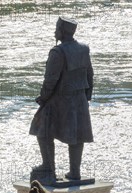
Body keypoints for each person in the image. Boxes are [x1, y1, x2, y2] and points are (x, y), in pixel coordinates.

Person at [30, 17, 94, 182]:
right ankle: (75, 172)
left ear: (62, 31)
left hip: (61, 100)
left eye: (56, 28)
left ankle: (48, 168)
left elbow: (50, 80)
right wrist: (87, 97)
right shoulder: (84, 49)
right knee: (77, 135)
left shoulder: (57, 52)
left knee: (41, 129)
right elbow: (90, 75)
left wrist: (43, 98)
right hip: (79, 99)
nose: (54, 31)